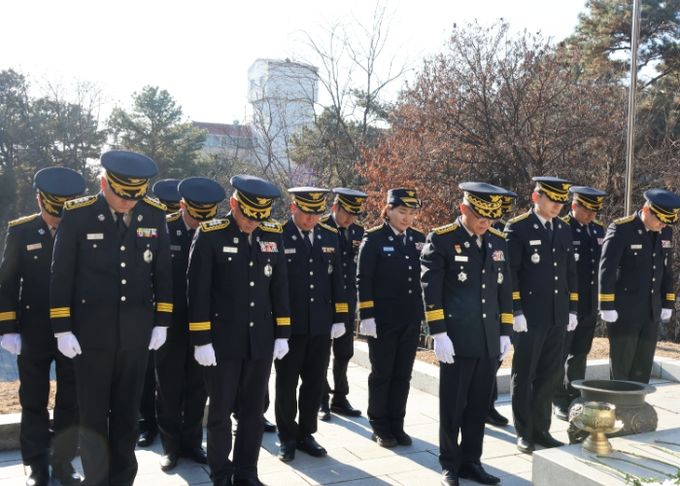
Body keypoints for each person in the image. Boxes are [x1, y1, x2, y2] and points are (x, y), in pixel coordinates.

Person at [49, 150, 172, 486]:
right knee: (92, 418)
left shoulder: (153, 213)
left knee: (127, 416)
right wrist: (62, 328)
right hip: (91, 336)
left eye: (135, 196)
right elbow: (61, 275)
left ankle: (122, 479)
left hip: (136, 335)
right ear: (104, 184)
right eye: (122, 195)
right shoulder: (78, 214)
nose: (128, 202)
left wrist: (162, 321)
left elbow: (163, 272)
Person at [187, 174, 290, 486]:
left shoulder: (272, 234)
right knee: (219, 414)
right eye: (248, 215)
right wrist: (201, 340)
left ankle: (247, 472)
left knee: (252, 413)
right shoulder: (210, 234)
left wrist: (282, 332)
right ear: (234, 204)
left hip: (259, 341)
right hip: (222, 343)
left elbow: (280, 287)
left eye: (260, 217)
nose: (252, 223)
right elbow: (198, 291)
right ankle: (221, 473)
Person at [422, 182, 513, 486]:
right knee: (453, 405)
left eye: (491, 216)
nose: (486, 222)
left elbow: (504, 289)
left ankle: (471, 461)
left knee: (478, 406)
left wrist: (505, 331)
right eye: (480, 215)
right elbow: (431, 288)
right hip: (456, 339)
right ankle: (450, 463)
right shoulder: (442, 239)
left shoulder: (498, 240)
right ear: (464, 209)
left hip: (488, 339)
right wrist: (439, 333)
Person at [0, 167, 85, 486]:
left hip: (72, 332)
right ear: (39, 200)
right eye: (53, 212)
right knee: (33, 399)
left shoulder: (81, 232)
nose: (58, 220)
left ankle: (63, 462)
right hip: (33, 330)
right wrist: (8, 328)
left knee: (70, 400)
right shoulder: (21, 231)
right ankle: (36, 464)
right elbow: (7, 283)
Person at [155, 177, 226, 471]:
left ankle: (193, 442)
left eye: (206, 216)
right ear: (183, 205)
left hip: (204, 323)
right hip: (170, 323)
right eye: (196, 215)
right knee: (169, 388)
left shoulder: (215, 231)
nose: (200, 222)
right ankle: (170, 447)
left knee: (198, 386)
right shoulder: (163, 228)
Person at [505, 176, 577, 454]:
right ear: (536, 198)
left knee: (550, 375)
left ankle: (542, 430)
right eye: (553, 200)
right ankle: (524, 432)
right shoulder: (518, 227)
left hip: (557, 315)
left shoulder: (563, 228)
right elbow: (511, 274)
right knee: (524, 374)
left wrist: (572, 309)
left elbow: (570, 273)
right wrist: (516, 310)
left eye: (561, 201)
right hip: (530, 316)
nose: (558, 206)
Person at [276, 187, 348, 462]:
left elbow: (337, 280)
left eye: (316, 214)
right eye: (306, 213)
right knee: (286, 383)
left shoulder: (329, 235)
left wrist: (340, 317)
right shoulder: (278, 234)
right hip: (289, 326)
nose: (311, 219)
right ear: (294, 208)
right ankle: (287, 436)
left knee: (314, 382)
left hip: (320, 324)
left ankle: (306, 433)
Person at [357, 188, 425, 448]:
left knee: (402, 375)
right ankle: (379, 425)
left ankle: (397, 423)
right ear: (389, 210)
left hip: (410, 318)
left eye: (411, 213)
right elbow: (364, 278)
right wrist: (367, 314)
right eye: (402, 212)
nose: (407, 218)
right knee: (382, 373)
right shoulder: (374, 238)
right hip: (383, 320)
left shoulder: (418, 239)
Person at [599, 188, 680, 383]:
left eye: (666, 221)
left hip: (651, 312)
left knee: (642, 368)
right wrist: (606, 305)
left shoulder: (664, 231)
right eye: (660, 220)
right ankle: (619, 401)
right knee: (622, 368)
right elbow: (607, 269)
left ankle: (638, 402)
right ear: (646, 211)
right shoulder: (621, 229)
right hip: (625, 312)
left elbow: (665, 270)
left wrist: (667, 302)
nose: (663, 225)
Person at [552, 186, 606, 420]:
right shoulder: (562, 227)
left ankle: (575, 395)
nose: (592, 215)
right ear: (574, 206)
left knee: (580, 353)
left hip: (589, 303)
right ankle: (558, 399)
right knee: (560, 354)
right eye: (587, 210)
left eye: (595, 211)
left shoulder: (597, 229)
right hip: (567, 305)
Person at [136, 179, 181, 448]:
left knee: (169, 374)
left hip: (174, 313)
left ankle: (171, 422)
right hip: (144, 310)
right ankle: (146, 423)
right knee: (145, 372)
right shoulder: (145, 226)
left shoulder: (180, 229)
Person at [319, 187, 367, 421]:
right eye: (346, 213)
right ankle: (321, 398)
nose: (350, 219)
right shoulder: (321, 227)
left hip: (347, 301)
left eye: (354, 214)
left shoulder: (358, 231)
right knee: (321, 354)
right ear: (335, 207)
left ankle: (340, 397)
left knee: (344, 352)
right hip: (324, 302)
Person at [485, 190, 517, 428]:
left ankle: (488, 405)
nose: (497, 214)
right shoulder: (487, 231)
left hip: (500, 308)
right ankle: (483, 406)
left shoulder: (503, 233)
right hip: (483, 308)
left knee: (493, 362)